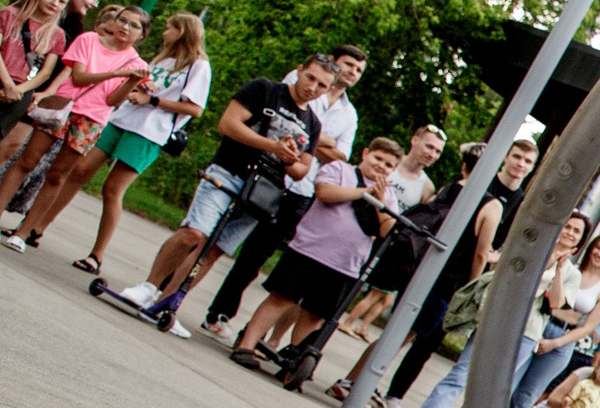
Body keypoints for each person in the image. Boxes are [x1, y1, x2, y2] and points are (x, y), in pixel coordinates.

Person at [116, 53, 329, 337]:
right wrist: (270, 145)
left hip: (262, 192)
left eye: (322, 85)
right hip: (228, 171)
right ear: (299, 71)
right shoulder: (264, 89)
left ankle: (167, 303)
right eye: (310, 77)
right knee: (195, 234)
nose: (312, 87)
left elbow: (302, 170)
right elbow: (228, 124)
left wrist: (288, 157)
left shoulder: (312, 123)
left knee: (214, 251)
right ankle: (148, 287)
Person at [10, 11, 209, 272]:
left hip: (148, 131)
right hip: (120, 120)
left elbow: (195, 109)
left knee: (112, 190)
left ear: (182, 31)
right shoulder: (162, 59)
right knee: (78, 171)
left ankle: (97, 255)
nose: (164, 33)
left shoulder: (198, 65)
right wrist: (137, 89)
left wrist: (153, 101)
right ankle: (36, 227)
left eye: (169, 28)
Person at [358, 132, 540, 408]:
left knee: (423, 341)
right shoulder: (476, 186)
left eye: (528, 160)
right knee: (402, 332)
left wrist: (496, 256)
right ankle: (359, 382)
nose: (520, 163)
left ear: (532, 167)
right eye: (517, 156)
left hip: (458, 278)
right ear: (505, 158)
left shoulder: (520, 203)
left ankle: (392, 394)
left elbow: (506, 244)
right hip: (443, 270)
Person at [202, 45, 363, 337]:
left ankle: (221, 313)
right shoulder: (303, 79)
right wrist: (316, 143)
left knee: (255, 258)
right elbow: (284, 124)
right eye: (349, 64)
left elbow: (341, 156)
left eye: (359, 70)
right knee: (215, 238)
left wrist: (313, 142)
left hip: (300, 189)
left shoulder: (349, 113)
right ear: (333, 63)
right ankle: (172, 287)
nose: (353, 72)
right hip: (265, 173)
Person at [402, 208, 585, 408]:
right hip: (497, 317)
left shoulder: (572, 274)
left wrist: (560, 270)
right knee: (461, 373)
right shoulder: (532, 249)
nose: (571, 233)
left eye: (577, 231)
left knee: (488, 387)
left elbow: (556, 305)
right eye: (568, 227)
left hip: (527, 331)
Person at [226, 138, 400, 363]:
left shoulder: (389, 195)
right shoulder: (339, 169)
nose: (381, 166)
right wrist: (364, 192)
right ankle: (247, 344)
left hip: (345, 264)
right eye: (378, 158)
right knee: (281, 299)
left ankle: (295, 359)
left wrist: (380, 200)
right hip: (308, 250)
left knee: (314, 314)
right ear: (366, 153)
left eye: (388, 165)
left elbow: (389, 230)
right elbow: (325, 192)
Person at [1, 3, 151, 242]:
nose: (125, 27)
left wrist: (131, 83)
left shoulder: (138, 65)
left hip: (91, 119)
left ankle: (24, 232)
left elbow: (112, 101)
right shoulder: (89, 40)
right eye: (123, 20)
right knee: (26, 161)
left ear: (142, 34)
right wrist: (116, 74)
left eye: (134, 25)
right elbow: (79, 78)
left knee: (57, 175)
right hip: (63, 105)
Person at [507, 229, 600, 408]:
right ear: (590, 248)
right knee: (508, 383)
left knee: (526, 396)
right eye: (598, 248)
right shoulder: (568, 268)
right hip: (540, 325)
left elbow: (586, 328)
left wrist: (555, 343)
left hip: (562, 341)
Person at [338, 125, 445, 335]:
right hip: (353, 233)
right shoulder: (387, 165)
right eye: (429, 146)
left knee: (375, 294)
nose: (431, 154)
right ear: (415, 139)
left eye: (438, 151)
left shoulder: (427, 187)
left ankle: (350, 324)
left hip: (386, 246)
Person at [0, 0, 71, 148]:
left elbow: (46, 72)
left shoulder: (57, 35)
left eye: (61, 1)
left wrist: (18, 90)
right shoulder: (9, 15)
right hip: (4, 77)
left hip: (21, 90)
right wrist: (8, 84)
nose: (55, 3)